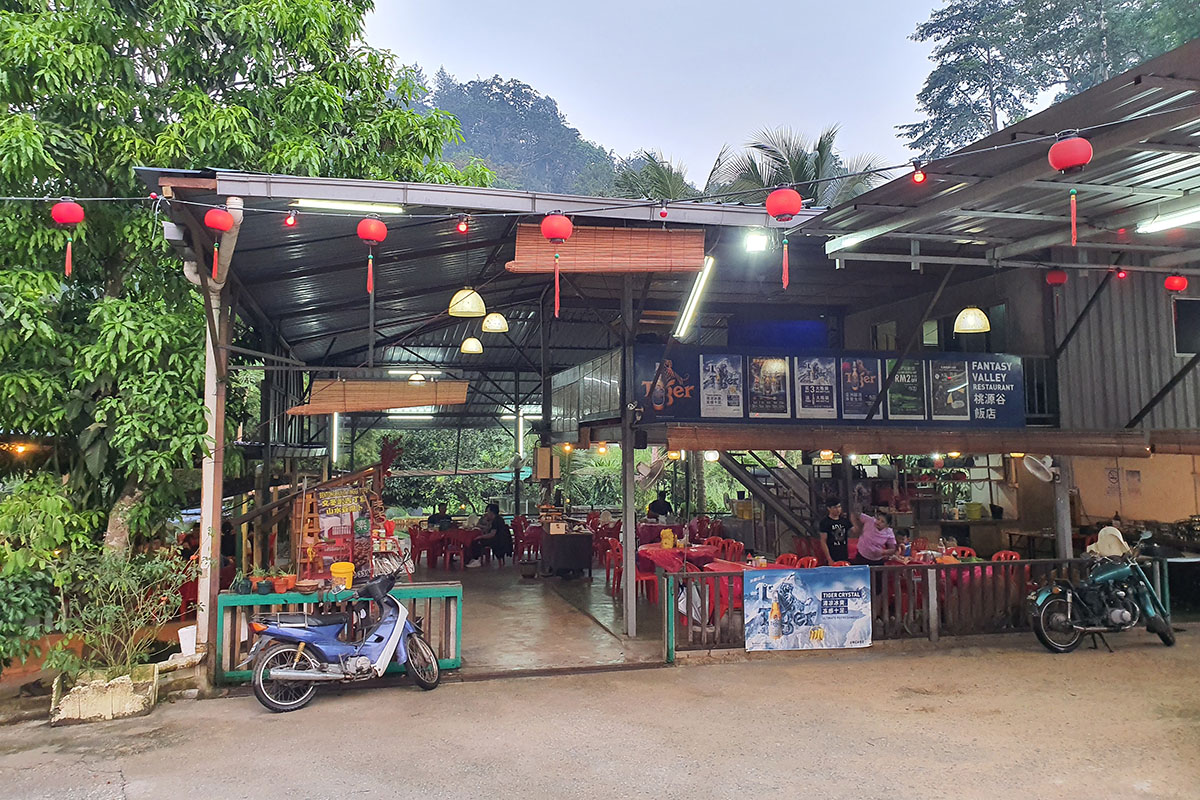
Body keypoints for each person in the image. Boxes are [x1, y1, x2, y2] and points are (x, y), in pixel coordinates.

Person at [466, 503, 513, 568]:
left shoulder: (496, 521)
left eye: (488, 512)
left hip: (498, 541)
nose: (487, 514)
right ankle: (476, 559)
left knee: (476, 541)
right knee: (478, 540)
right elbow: (491, 529)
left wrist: (481, 536)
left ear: (491, 512)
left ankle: (477, 560)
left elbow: (492, 534)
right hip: (501, 540)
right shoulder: (498, 519)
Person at [818, 499, 850, 565]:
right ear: (829, 508)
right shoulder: (825, 522)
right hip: (832, 554)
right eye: (835, 507)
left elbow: (854, 531)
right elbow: (823, 541)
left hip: (844, 554)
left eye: (839, 507)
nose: (838, 510)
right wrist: (829, 558)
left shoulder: (844, 521)